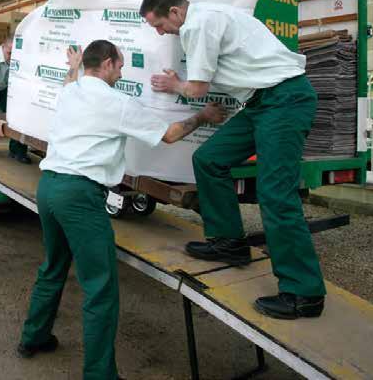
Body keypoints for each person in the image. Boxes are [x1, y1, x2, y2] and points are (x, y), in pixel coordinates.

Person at [18, 40, 226, 380]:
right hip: (79, 196)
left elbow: (71, 81)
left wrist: (74, 65)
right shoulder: (117, 102)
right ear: (108, 63)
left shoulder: (70, 92)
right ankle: (100, 375)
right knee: (100, 287)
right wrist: (203, 115)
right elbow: (170, 135)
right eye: (120, 65)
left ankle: (33, 338)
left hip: (49, 188)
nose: (122, 72)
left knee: (53, 267)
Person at [138, 0, 326, 320]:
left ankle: (304, 293)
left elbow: (198, 89)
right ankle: (229, 242)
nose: (160, 32)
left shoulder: (197, 24)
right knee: (209, 159)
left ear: (175, 12)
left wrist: (175, 84)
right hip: (260, 103)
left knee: (276, 194)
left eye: (159, 24)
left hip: (284, 100)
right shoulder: (209, 15)